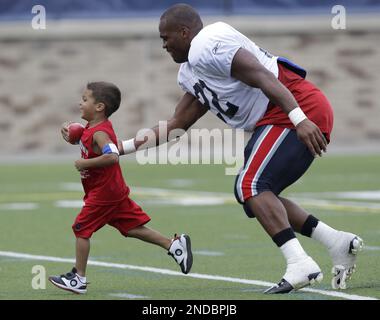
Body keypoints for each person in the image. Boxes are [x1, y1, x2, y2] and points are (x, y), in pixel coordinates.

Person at [118, 4, 365, 294]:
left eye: (166, 38)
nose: (163, 45)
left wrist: (299, 119)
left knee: (252, 185)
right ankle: (337, 241)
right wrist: (119, 148)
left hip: (294, 108)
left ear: (184, 33)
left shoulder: (206, 43)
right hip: (273, 118)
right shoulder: (190, 70)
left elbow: (262, 76)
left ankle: (300, 263)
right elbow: (177, 123)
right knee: (253, 196)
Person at [49, 81, 193, 294]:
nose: (80, 103)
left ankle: (78, 278)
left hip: (104, 192)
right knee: (131, 228)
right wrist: (73, 136)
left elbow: (112, 156)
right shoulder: (91, 129)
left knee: (81, 228)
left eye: (85, 99)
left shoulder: (100, 133)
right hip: (110, 190)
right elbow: (91, 145)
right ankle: (173, 245)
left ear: (100, 107)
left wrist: (85, 163)